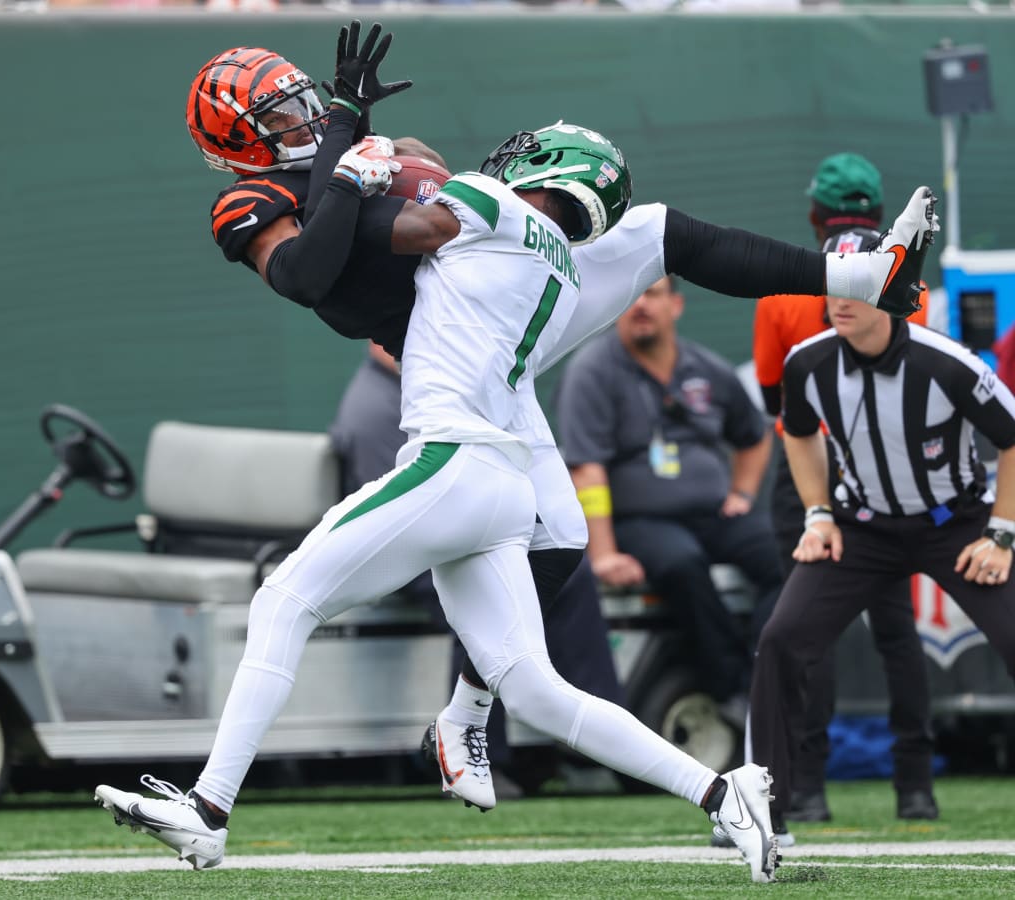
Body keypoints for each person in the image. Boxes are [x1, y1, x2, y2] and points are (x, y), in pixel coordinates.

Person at [100, 18, 935, 833]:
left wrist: (357, 154)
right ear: (237, 145)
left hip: (475, 380)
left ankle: (862, 274)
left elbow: (413, 211)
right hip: (493, 368)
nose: (302, 117)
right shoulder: (265, 196)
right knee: (560, 543)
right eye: (278, 115)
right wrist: (352, 148)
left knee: (647, 239)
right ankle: (579, 750)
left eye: (300, 103)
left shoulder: (438, 184)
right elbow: (314, 268)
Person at [99, 116, 784, 883]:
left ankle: (209, 810)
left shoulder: (488, 201)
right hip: (501, 477)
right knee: (535, 689)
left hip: (454, 461)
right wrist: (363, 152)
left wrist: (352, 165)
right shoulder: (556, 257)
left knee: (283, 601)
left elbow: (399, 224)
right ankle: (724, 792)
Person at [750, 285, 1015, 840]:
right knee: (781, 639)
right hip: (862, 527)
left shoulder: (948, 362)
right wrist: (818, 513)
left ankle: (913, 784)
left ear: (892, 299)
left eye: (858, 290)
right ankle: (760, 812)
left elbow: (1012, 437)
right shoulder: (809, 361)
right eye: (835, 290)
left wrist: (1002, 532)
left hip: (957, 524)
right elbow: (796, 433)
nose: (840, 303)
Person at [330, 341, 624, 797]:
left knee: (568, 575)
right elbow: (398, 521)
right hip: (406, 561)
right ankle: (482, 751)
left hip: (450, 540)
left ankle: (593, 746)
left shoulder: (422, 390)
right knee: (484, 607)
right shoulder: (374, 410)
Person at [753, 152, 937, 824]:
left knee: (807, 627)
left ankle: (806, 790)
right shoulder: (902, 282)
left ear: (814, 215)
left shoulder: (785, 289)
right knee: (897, 630)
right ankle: (915, 788)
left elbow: (779, 402)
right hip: (885, 466)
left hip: (808, 475)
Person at [557, 275, 781, 728]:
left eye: (653, 293)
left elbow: (756, 436)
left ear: (675, 305)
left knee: (783, 558)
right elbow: (586, 470)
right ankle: (732, 688)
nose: (641, 304)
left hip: (715, 512)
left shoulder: (705, 368)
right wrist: (603, 554)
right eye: (632, 294)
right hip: (640, 520)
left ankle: (769, 679)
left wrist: (743, 493)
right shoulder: (594, 370)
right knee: (683, 565)